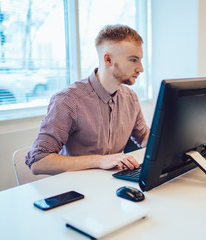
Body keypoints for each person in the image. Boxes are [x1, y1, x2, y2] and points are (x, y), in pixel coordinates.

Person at [25, 24, 150, 175]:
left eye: (140, 60)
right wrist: (100, 160)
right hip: (77, 188)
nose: (141, 68)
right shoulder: (68, 100)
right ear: (108, 59)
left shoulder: (130, 98)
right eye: (133, 60)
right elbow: (38, 162)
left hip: (113, 184)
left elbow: (143, 137)